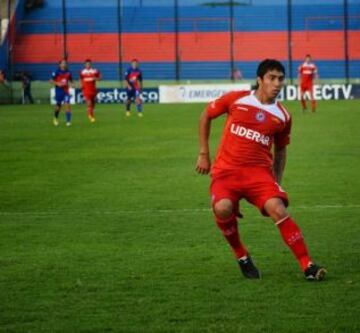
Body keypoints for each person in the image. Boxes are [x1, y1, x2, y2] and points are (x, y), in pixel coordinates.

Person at [195, 59, 326, 281]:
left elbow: (281, 151)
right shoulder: (237, 99)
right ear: (260, 80)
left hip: (258, 175)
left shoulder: (283, 116)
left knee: (278, 208)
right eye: (271, 78)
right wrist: (204, 153)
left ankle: (308, 266)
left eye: (280, 79)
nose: (277, 84)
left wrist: (276, 181)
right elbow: (206, 115)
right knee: (223, 208)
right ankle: (242, 256)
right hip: (226, 172)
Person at [50, 59, 73, 127]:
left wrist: (72, 84)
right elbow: (51, 80)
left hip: (66, 91)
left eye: (65, 63)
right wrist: (57, 83)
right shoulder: (56, 72)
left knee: (67, 105)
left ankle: (68, 122)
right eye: (62, 63)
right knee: (58, 106)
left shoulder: (68, 72)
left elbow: (71, 81)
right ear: (60, 64)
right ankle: (55, 118)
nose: (64, 64)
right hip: (59, 91)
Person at [80, 59, 101, 123]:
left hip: (93, 90)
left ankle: (91, 114)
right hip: (86, 90)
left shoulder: (95, 71)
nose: (88, 65)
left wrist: (96, 78)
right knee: (89, 103)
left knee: (93, 104)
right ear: (85, 65)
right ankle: (90, 115)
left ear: (91, 64)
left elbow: (99, 78)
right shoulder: (82, 72)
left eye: (89, 64)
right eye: (87, 64)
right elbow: (81, 79)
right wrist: (82, 86)